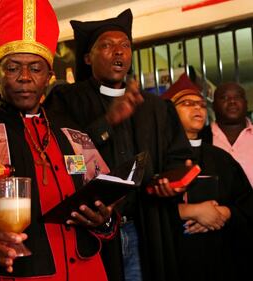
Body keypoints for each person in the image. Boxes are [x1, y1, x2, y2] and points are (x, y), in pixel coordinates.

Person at [0, 0, 118, 280]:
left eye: (35, 68)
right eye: (13, 68)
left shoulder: (73, 132)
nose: (25, 78)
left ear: (49, 77)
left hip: (86, 272)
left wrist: (105, 220)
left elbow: (105, 201)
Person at [44, 9, 193, 281]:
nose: (119, 52)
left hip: (146, 228)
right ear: (88, 58)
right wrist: (107, 122)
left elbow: (177, 157)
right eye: (107, 45)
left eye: (125, 45)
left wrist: (171, 183)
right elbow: (60, 157)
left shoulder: (157, 107)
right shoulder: (66, 100)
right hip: (90, 231)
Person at [162, 73, 253, 281]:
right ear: (169, 112)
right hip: (177, 260)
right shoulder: (159, 156)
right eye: (187, 103)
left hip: (223, 258)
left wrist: (224, 212)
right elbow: (143, 210)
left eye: (201, 104)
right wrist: (192, 212)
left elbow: (247, 203)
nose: (197, 109)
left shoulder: (221, 158)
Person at [200, 82, 253, 186]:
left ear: (246, 104)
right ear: (214, 106)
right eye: (224, 97)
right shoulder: (200, 138)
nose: (232, 101)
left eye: (237, 97)